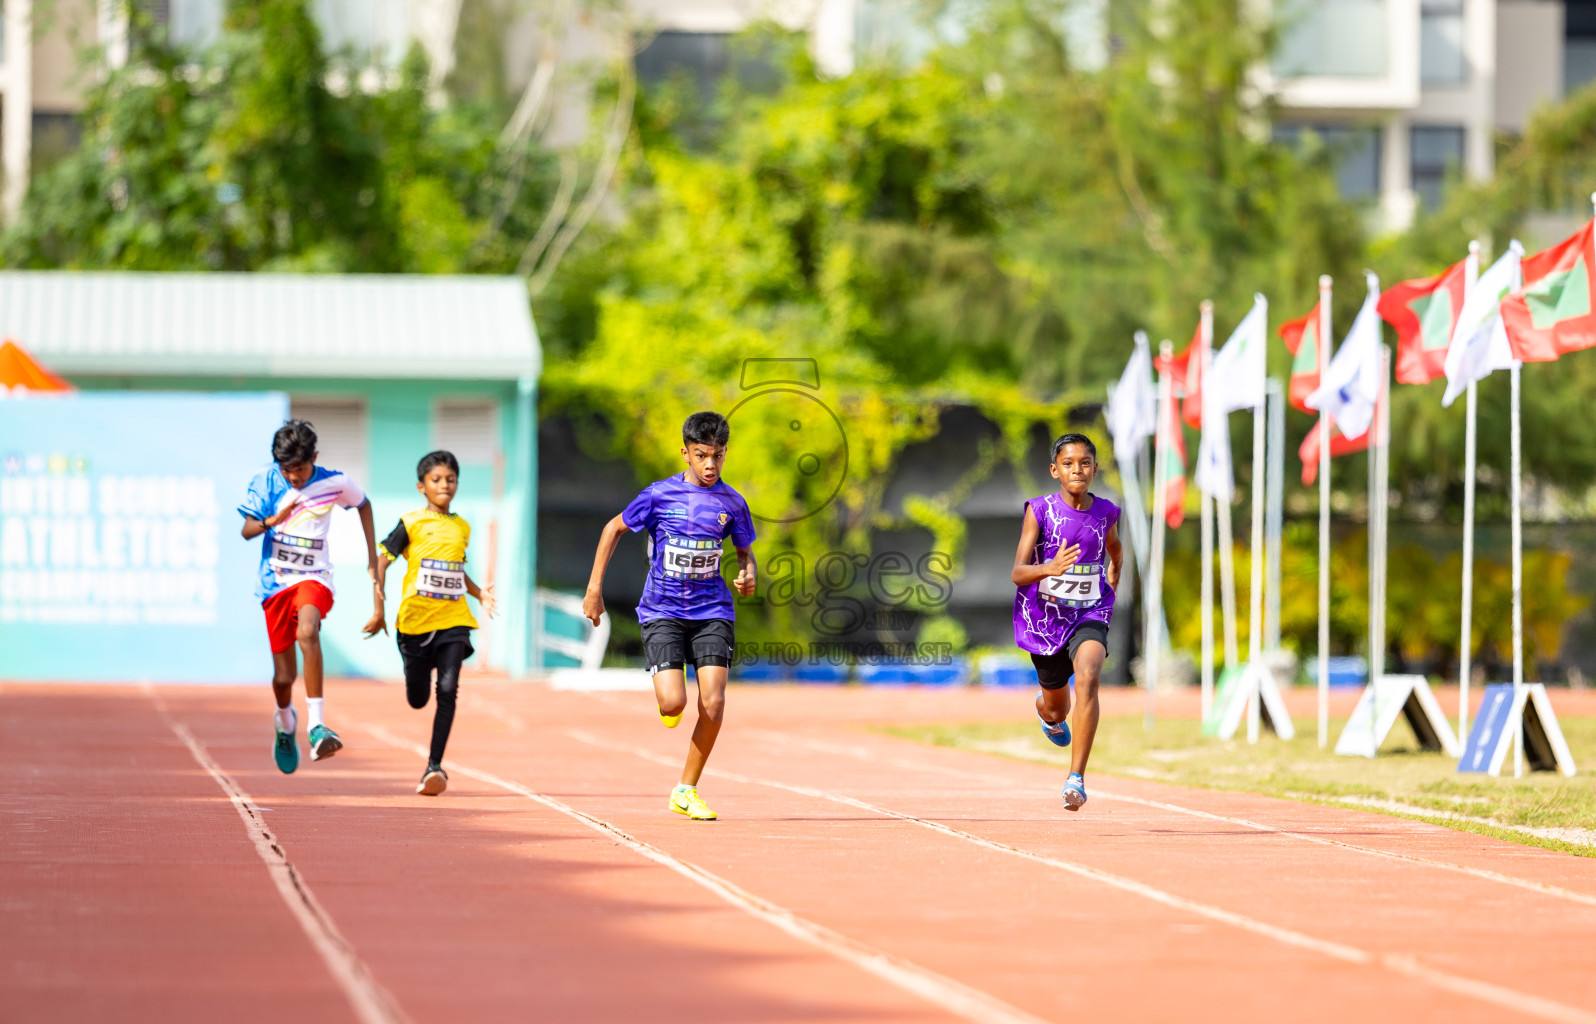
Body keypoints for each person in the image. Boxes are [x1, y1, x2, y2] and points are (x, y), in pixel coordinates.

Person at [582, 411, 757, 821]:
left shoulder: (732, 502)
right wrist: (594, 590)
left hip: (713, 610)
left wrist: (747, 573)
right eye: (702, 456)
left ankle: (686, 789)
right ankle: (669, 701)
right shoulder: (659, 495)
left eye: (718, 456)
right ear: (686, 453)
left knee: (713, 702)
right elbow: (612, 529)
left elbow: (745, 550)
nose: (710, 465)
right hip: (662, 610)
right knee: (675, 703)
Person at [239, 419, 382, 774]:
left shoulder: (335, 482)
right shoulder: (267, 480)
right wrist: (274, 520)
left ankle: (317, 725)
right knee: (284, 678)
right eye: (287, 470)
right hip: (275, 584)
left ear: (314, 457)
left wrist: (371, 560)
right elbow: (246, 531)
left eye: (300, 470)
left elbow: (364, 505)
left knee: (308, 630)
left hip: (315, 578)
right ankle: (284, 720)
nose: (294, 477)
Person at [368, 450, 498, 796]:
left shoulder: (462, 527)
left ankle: (434, 767)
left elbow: (454, 569)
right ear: (421, 486)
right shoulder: (411, 523)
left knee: (448, 690)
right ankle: (416, 671)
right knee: (418, 698)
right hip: (413, 623)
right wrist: (379, 607)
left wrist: (478, 593)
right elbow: (382, 561)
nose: (445, 485)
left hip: (453, 620)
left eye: (450, 479)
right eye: (436, 480)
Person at [1011, 432, 1123, 811]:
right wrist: (1051, 568)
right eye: (1069, 463)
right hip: (1044, 621)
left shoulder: (1106, 510)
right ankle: (1046, 710)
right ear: (1055, 470)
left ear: (1094, 468)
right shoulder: (1040, 510)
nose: (1078, 469)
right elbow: (1018, 573)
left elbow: (1114, 546)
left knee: (1089, 677)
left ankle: (1076, 778)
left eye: (1086, 463)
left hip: (1091, 611)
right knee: (1058, 709)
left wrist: (1115, 570)